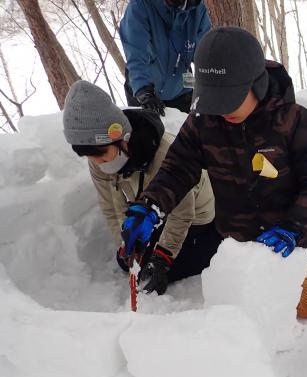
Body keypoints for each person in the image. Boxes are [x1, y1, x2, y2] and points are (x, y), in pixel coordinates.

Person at [120, 27, 307, 319]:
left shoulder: (297, 123)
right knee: (241, 314)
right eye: (215, 100)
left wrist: (296, 227)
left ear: (257, 83)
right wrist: (150, 206)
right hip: (237, 241)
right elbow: (178, 168)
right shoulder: (203, 123)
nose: (222, 111)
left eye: (230, 99)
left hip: (290, 237)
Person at [62, 80, 217, 295]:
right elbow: (111, 206)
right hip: (151, 212)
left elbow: (183, 213)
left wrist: (162, 257)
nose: (97, 162)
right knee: (130, 264)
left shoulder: (164, 154)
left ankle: (215, 240)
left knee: (164, 270)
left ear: (122, 140)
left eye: (100, 154)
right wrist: (125, 246)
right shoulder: (98, 158)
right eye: (89, 157)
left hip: (196, 216)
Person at [119, 0, 211, 115]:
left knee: (182, 131)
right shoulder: (140, 6)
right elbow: (136, 54)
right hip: (144, 88)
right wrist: (143, 90)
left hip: (180, 90)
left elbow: (205, 54)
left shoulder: (197, 10)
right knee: (148, 131)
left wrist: (212, 80)